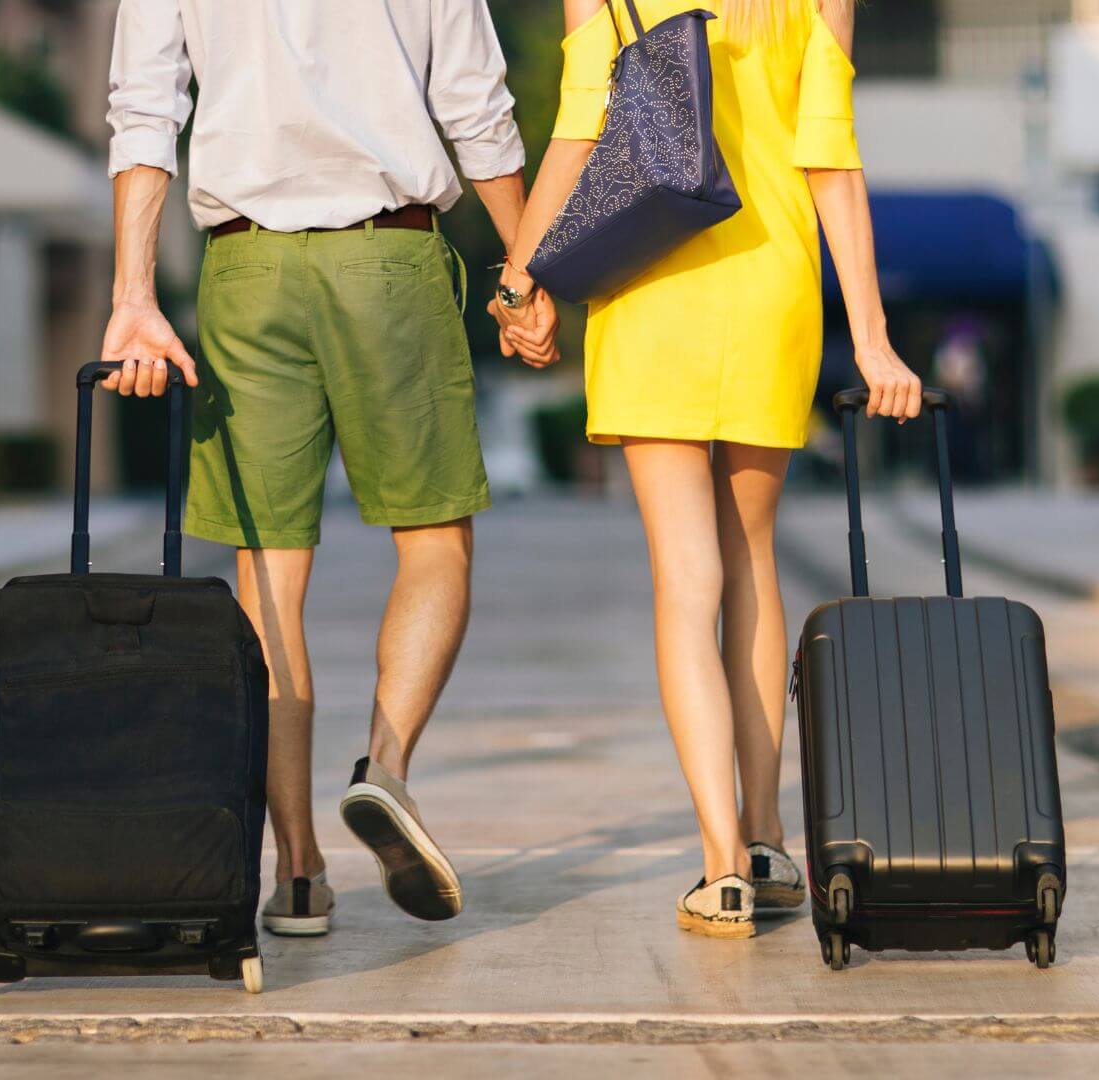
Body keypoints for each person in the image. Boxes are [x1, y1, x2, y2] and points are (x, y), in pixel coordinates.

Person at [105, 0, 556, 936]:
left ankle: (299, 872)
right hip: (390, 258)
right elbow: (477, 110)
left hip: (246, 270)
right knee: (433, 544)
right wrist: (521, 275)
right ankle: (385, 771)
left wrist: (134, 297)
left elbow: (144, 112)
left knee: (269, 579)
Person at [496, 0, 922, 939]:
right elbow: (833, 163)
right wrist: (874, 339)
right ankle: (770, 841)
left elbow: (577, 135)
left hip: (650, 289)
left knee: (685, 580)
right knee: (752, 564)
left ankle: (721, 865)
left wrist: (519, 284)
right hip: (771, 290)